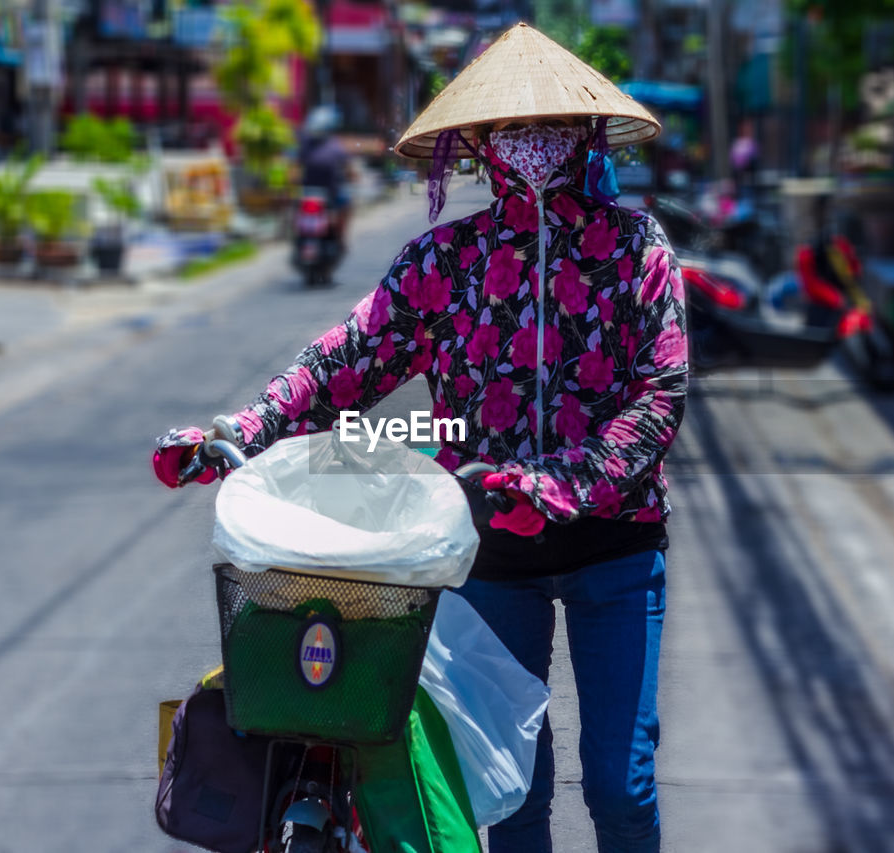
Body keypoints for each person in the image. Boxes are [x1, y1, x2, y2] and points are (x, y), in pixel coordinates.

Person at [153, 22, 687, 853]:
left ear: (586, 135)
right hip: (488, 556)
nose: (531, 143)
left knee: (623, 784)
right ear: (477, 143)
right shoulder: (446, 260)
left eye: (550, 125)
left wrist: (564, 483)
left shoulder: (634, 249)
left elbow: (659, 395)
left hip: (615, 546)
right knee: (513, 792)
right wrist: (242, 428)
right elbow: (348, 360)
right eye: (512, 127)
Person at [298, 105, 353, 249]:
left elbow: (295, 169)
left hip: (308, 194)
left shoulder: (305, 145)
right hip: (329, 195)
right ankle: (340, 238)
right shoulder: (335, 146)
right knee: (346, 205)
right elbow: (348, 170)